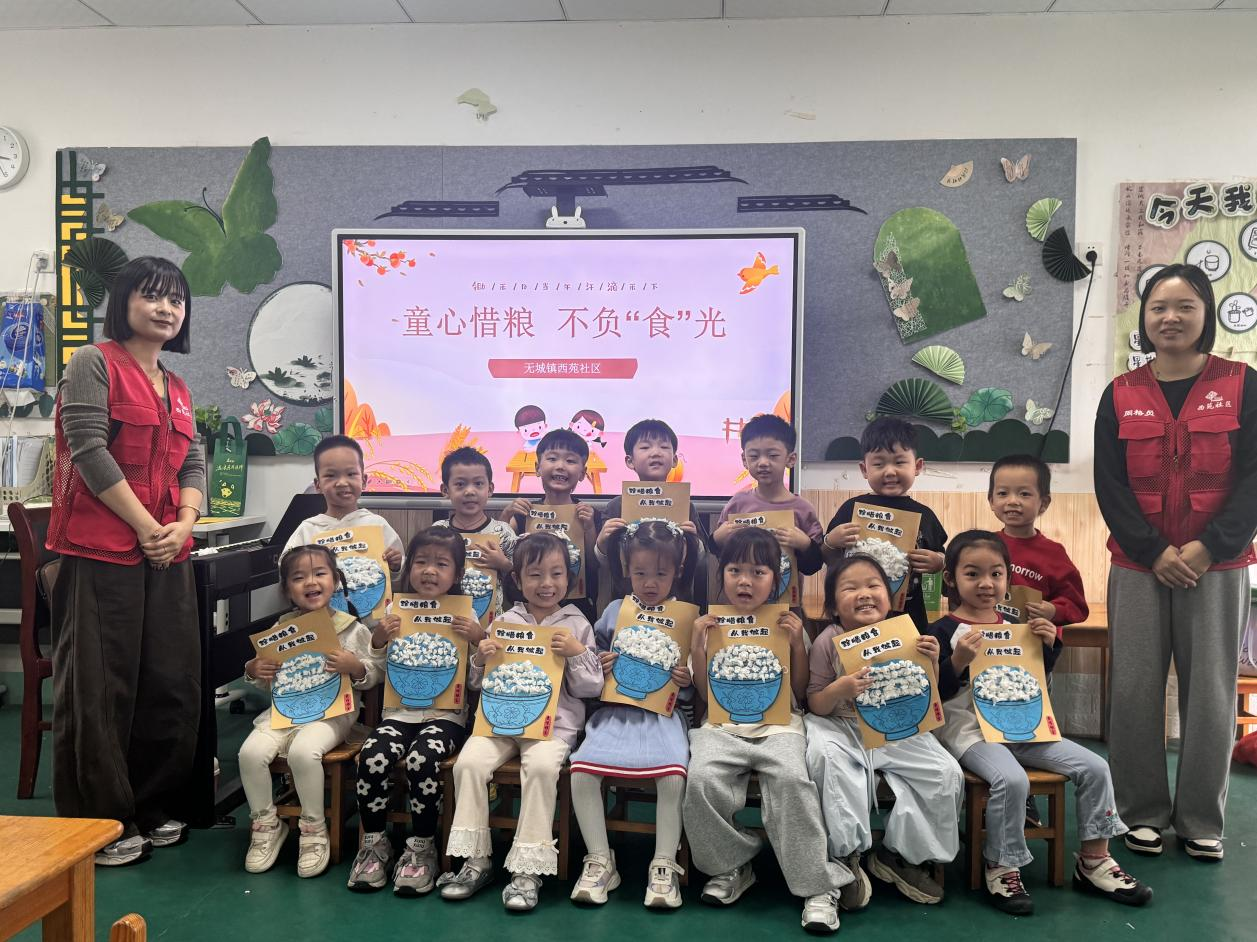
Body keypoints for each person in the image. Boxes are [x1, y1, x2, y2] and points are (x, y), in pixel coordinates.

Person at [1095, 263, 1257, 862]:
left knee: (1211, 693)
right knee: (1134, 689)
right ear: (1144, 318)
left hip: (1218, 565)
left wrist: (1210, 546)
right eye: (1158, 307)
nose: (1170, 317)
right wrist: (1153, 550)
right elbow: (1110, 486)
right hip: (1139, 565)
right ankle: (1140, 813)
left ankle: (1200, 820)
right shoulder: (1120, 393)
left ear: (1205, 314)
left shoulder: (1243, 384)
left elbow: (1254, 478)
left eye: (1185, 306)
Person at [47, 256, 204, 866]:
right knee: (100, 685)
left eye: (176, 300)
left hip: (166, 548)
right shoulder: (93, 363)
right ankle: (102, 821)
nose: (166, 309)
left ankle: (154, 805)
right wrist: (145, 526)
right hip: (102, 549)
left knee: (169, 679)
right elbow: (87, 448)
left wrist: (183, 524)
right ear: (124, 302)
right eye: (152, 296)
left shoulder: (177, 385)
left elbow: (192, 462)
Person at [929, 530, 1150, 915]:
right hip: (971, 731)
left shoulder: (1018, 624)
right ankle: (1002, 865)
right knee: (1011, 779)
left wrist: (1049, 644)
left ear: (1008, 578)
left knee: (1096, 767)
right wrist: (958, 661)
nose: (986, 583)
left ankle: (1094, 860)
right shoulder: (942, 630)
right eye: (972, 574)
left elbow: (1035, 675)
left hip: (1024, 724)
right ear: (951, 578)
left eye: (996, 574)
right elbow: (937, 695)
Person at [685, 527, 848, 934]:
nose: (745, 581)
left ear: (776, 579)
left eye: (758, 572)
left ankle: (818, 884)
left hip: (780, 727)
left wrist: (795, 644)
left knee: (793, 780)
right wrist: (698, 645)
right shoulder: (709, 623)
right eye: (735, 570)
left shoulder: (789, 623)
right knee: (701, 780)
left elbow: (800, 692)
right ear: (721, 574)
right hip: (721, 727)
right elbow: (704, 692)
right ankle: (732, 865)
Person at [439, 531, 603, 911]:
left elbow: (591, 688)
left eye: (556, 574)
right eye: (535, 574)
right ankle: (476, 860)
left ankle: (527, 869)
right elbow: (478, 682)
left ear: (569, 579)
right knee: (468, 763)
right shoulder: (505, 621)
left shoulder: (577, 624)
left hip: (554, 726)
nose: (547, 583)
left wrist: (576, 653)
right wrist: (482, 657)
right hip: (500, 721)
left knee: (542, 768)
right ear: (517, 579)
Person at [804, 555, 961, 911]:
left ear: (890, 597)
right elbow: (815, 702)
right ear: (833, 605)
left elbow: (927, 693)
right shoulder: (828, 639)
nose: (864, 594)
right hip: (840, 725)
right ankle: (846, 858)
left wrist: (932, 661)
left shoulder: (906, 634)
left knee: (944, 772)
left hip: (896, 725)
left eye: (874, 585)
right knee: (828, 760)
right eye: (850, 588)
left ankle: (900, 856)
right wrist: (839, 689)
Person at [568, 519, 700, 909]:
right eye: (640, 573)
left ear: (677, 571)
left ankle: (664, 863)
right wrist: (601, 662)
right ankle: (599, 859)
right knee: (582, 770)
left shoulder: (687, 618)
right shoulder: (614, 611)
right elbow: (591, 658)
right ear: (626, 569)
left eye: (660, 573)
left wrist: (687, 678)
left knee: (673, 775)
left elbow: (696, 673)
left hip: (664, 716)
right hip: (616, 712)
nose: (650, 583)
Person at [348, 528, 484, 895]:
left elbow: (477, 679)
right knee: (372, 756)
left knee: (422, 760)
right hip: (398, 715)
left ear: (457, 573)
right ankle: (374, 843)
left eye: (441, 564)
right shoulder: (396, 611)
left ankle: (423, 846)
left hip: (446, 718)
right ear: (408, 568)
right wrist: (379, 639)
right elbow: (377, 670)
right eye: (421, 562)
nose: (429, 571)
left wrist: (478, 639)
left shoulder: (466, 615)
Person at [238, 545, 384, 878]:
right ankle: (266, 824)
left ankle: (314, 829)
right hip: (285, 714)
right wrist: (254, 669)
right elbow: (266, 680)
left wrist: (355, 667)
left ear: (335, 580)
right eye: (299, 577)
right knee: (250, 753)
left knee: (304, 752)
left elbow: (374, 672)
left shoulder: (351, 628)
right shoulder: (282, 627)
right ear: (286, 588)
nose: (311, 582)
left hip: (333, 715)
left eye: (320, 573)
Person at [821, 417, 946, 632]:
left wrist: (938, 562)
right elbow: (828, 559)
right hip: (857, 617)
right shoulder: (851, 509)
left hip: (909, 618)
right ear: (864, 469)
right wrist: (830, 542)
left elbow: (942, 558)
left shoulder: (925, 515)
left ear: (917, 466)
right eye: (879, 464)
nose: (889, 471)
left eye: (899, 462)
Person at [594, 418, 707, 604]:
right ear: (630, 461)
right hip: (628, 600)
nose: (656, 452)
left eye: (664, 447)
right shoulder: (616, 506)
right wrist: (602, 541)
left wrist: (694, 541)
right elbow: (604, 561)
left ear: (675, 460)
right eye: (645, 447)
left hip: (677, 600)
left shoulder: (685, 505)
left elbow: (700, 560)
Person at [711, 413, 824, 594]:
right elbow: (723, 556)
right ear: (744, 460)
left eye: (772, 455)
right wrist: (716, 539)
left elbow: (814, 565)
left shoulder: (802, 509)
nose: (763, 463)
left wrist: (804, 545)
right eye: (754, 456)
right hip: (742, 600)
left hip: (785, 603)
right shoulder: (737, 504)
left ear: (790, 459)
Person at [500, 428, 601, 621]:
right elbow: (502, 550)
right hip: (530, 604)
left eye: (570, 461)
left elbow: (593, 563)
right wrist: (506, 515)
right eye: (552, 459)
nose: (560, 466)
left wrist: (589, 527)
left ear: (583, 473)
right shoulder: (523, 513)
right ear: (537, 467)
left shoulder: (590, 514)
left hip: (577, 605)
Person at [988, 454, 1088, 628]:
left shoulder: (1054, 553)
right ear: (991, 501)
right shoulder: (984, 545)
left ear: (1044, 503)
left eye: (1024, 494)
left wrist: (1054, 610)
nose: (1013, 501)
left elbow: (1077, 605)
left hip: (1035, 639)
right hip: (988, 638)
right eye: (1003, 493)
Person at [283, 434, 403, 570]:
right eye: (330, 475)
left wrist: (396, 564)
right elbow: (286, 567)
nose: (342, 482)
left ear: (364, 480)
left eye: (351, 474)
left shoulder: (377, 525)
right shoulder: (308, 530)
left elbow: (399, 567)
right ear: (318, 485)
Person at [432, 446, 516, 620]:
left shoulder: (503, 532)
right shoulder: (438, 531)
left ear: (490, 489)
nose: (470, 491)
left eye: (478, 484)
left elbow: (522, 578)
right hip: (446, 620)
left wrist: (503, 564)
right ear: (445, 490)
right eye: (460, 484)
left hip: (491, 624)